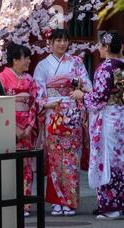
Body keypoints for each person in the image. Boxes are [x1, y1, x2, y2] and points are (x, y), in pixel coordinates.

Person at [34, 28, 92, 216]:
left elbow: (88, 85)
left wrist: (80, 90)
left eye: (65, 40)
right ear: (49, 43)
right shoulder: (43, 66)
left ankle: (69, 201)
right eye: (57, 40)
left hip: (72, 115)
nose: (62, 44)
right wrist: (49, 103)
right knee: (54, 160)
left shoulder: (76, 62)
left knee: (71, 160)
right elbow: (38, 93)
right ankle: (56, 201)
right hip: (53, 113)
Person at [71, 31, 124, 220]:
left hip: (108, 119)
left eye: (100, 45)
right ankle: (120, 203)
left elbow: (99, 99)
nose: (98, 49)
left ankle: (110, 207)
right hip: (121, 116)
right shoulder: (121, 67)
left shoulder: (104, 69)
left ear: (107, 47)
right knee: (120, 161)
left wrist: (82, 96)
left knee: (106, 160)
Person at [0, 43, 38, 217]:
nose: (29, 61)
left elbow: (34, 104)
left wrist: (29, 126)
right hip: (9, 126)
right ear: (15, 60)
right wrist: (13, 127)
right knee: (9, 166)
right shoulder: (1, 78)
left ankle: (25, 203)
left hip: (26, 128)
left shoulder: (30, 80)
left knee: (27, 166)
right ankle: (9, 202)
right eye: (26, 58)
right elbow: (0, 105)